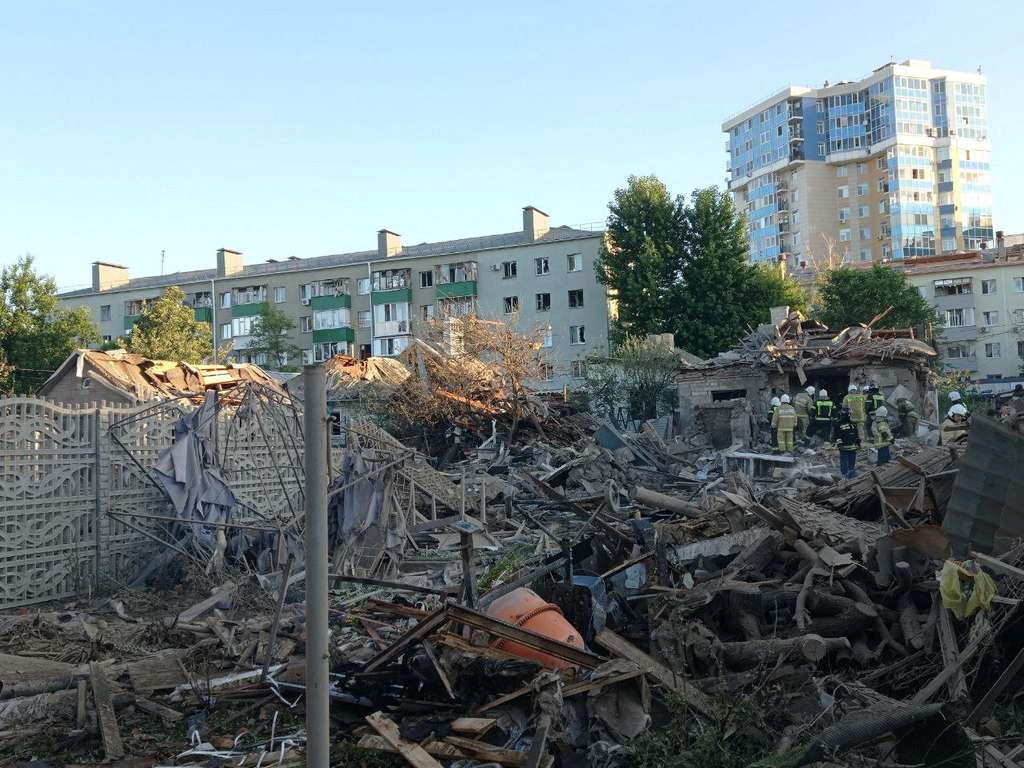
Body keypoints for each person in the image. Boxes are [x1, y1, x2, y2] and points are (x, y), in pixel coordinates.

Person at [833, 407, 861, 478]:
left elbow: (856, 434)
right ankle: (844, 475)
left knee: (852, 462)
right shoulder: (839, 425)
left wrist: (858, 442)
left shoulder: (853, 425)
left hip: (852, 447)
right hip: (844, 448)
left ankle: (850, 474)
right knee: (844, 463)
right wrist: (839, 444)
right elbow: (837, 436)